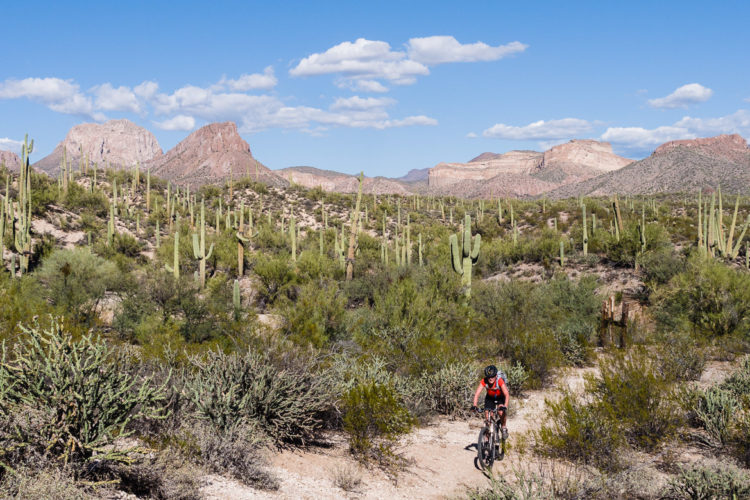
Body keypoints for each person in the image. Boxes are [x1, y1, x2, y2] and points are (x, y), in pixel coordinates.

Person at [471, 365, 509, 440]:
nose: (490, 378)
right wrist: (475, 405)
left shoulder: (499, 380)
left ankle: (504, 427)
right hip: (490, 398)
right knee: (487, 414)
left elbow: (506, 394)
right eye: (489, 377)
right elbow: (477, 394)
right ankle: (488, 433)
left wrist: (505, 406)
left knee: (501, 412)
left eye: (492, 376)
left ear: (496, 376)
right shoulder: (484, 381)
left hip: (500, 397)